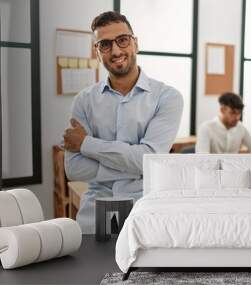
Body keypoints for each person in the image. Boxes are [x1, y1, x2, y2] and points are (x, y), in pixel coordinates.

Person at [63, 11, 183, 234]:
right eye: (105, 44)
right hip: (94, 217)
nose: (116, 50)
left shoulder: (167, 97)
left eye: (122, 40)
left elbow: (147, 160)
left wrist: (86, 144)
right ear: (97, 52)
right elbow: (74, 169)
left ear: (135, 43)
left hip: (145, 213)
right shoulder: (83, 100)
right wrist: (136, 168)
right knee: (89, 268)